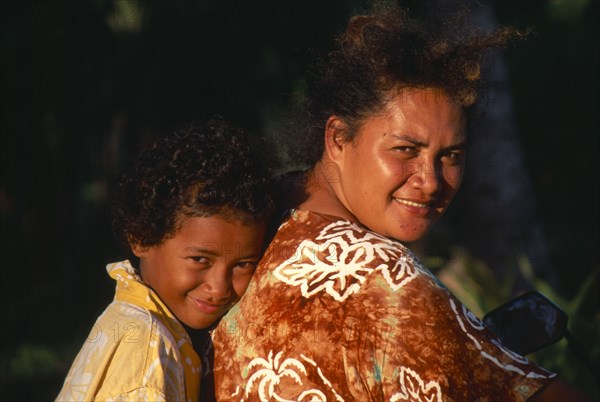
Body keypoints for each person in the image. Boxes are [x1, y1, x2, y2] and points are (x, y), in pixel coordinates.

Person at [210, 4, 595, 402]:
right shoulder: (386, 284)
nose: (430, 182)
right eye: (405, 150)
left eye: (452, 156)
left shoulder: (253, 217)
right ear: (338, 139)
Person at [56, 118, 273, 401]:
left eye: (243, 264)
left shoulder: (132, 324)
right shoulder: (148, 352)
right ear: (142, 238)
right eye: (199, 259)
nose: (219, 288)